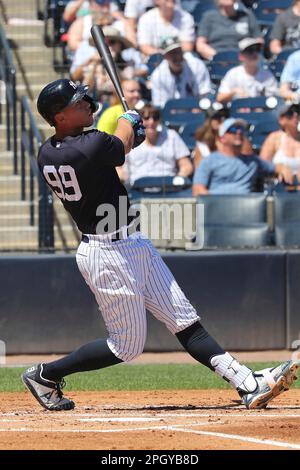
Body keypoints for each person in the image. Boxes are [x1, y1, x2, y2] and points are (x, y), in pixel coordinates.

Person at [21, 79, 298, 411]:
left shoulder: (48, 151)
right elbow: (121, 143)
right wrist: (131, 117)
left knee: (184, 319)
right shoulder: (86, 146)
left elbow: (120, 145)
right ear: (59, 116)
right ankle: (45, 375)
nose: (87, 106)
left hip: (133, 242)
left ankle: (247, 383)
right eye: (78, 103)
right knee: (127, 346)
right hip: (106, 252)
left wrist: (132, 130)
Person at [192, 117, 294, 195]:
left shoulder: (253, 161)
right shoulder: (209, 161)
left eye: (241, 129)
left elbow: (276, 167)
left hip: (245, 212)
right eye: (232, 130)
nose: (238, 132)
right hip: (217, 209)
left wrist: (283, 168)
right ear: (222, 138)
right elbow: (198, 190)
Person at [118, 104, 193, 184]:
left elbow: (186, 166)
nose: (151, 121)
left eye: (155, 117)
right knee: (121, 195)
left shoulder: (171, 136)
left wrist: (177, 182)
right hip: (137, 189)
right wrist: (124, 180)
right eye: (146, 118)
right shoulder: (130, 138)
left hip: (168, 188)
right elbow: (118, 168)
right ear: (139, 120)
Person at [70, 26, 147, 98]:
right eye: (104, 43)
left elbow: (123, 85)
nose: (108, 46)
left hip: (117, 103)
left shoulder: (127, 65)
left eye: (112, 42)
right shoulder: (92, 62)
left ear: (120, 45)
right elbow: (76, 78)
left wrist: (112, 63)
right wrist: (92, 62)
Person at [151, 37, 211, 108]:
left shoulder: (197, 65)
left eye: (178, 52)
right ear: (165, 57)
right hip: (171, 113)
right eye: (172, 53)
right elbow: (160, 105)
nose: (177, 56)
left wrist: (198, 107)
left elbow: (204, 94)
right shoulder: (158, 75)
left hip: (196, 109)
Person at [217, 38, 278, 104]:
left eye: (257, 50)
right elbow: (220, 98)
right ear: (241, 56)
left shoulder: (267, 75)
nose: (254, 54)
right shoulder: (233, 74)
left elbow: (275, 99)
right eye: (250, 51)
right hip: (238, 112)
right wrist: (234, 92)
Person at [196, 0, 262, 61]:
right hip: (218, 61)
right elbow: (200, 44)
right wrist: (220, 57)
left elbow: (259, 40)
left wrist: (247, 55)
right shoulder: (209, 17)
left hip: (244, 60)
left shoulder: (247, 15)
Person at [260, 102, 300, 176]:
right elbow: (262, 165)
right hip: (279, 185)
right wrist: (279, 168)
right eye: (290, 113)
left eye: (297, 111)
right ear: (281, 119)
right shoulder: (274, 138)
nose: (296, 115)